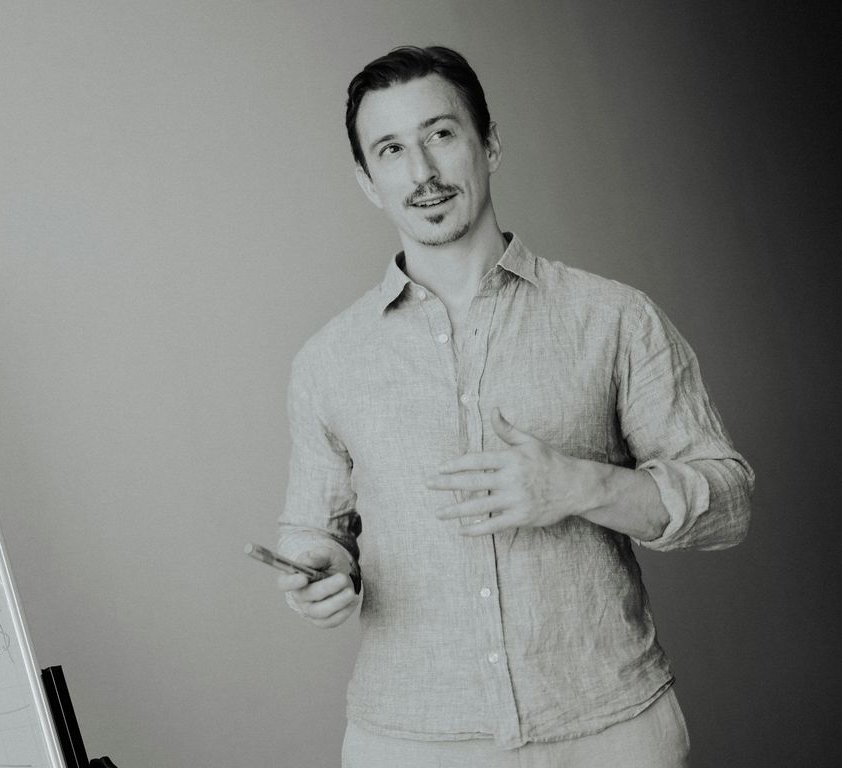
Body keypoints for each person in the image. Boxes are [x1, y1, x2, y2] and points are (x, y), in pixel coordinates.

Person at [274, 45, 753, 767]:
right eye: (392, 149)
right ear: (368, 181)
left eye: (441, 134)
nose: (423, 173)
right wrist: (314, 568)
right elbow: (314, 531)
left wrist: (580, 484)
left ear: (489, 143)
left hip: (608, 732)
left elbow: (730, 504)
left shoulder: (615, 318)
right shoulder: (325, 362)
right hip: (411, 740)